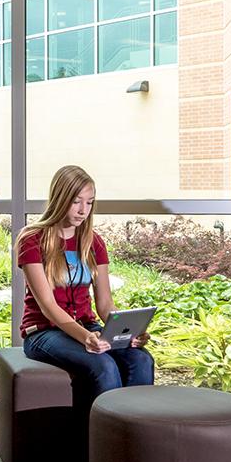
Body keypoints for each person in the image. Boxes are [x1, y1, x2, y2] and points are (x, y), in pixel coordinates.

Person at [16, 164, 152, 416]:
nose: (83, 210)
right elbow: (48, 307)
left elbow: (104, 304)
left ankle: (134, 441)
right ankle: (100, 446)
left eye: (89, 202)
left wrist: (124, 334)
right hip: (43, 332)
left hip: (87, 327)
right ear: (60, 198)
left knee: (141, 359)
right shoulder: (32, 239)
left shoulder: (93, 241)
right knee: (103, 366)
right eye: (76, 201)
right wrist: (85, 338)